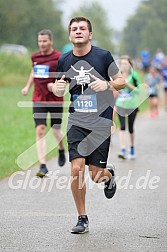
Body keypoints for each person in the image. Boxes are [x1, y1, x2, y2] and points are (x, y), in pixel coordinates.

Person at [48, 17, 126, 234]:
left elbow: (122, 81)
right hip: (77, 121)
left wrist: (107, 84)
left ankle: (108, 175)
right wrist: (58, 89)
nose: (78, 31)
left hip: (100, 122)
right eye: (74, 29)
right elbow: (57, 86)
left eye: (83, 28)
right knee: (76, 169)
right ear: (70, 35)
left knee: (96, 175)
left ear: (90, 34)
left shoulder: (103, 56)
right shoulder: (64, 60)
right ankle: (82, 218)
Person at [21, 29, 66, 178]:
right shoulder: (35, 57)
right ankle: (43, 165)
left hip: (55, 99)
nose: (41, 44)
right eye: (39, 41)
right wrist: (27, 86)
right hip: (39, 98)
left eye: (44, 41)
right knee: (40, 129)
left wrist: (55, 86)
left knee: (55, 130)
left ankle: (61, 148)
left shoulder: (59, 57)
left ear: (51, 41)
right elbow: (33, 72)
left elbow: (63, 78)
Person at [115, 55, 141, 160]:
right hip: (120, 104)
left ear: (130, 65)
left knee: (130, 128)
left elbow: (139, 91)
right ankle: (122, 149)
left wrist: (127, 84)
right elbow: (114, 88)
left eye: (125, 64)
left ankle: (132, 147)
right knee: (122, 127)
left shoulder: (134, 75)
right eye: (121, 64)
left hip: (132, 105)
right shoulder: (118, 75)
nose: (123, 66)